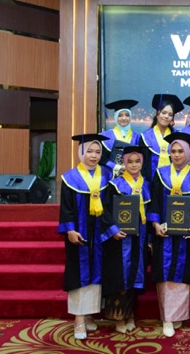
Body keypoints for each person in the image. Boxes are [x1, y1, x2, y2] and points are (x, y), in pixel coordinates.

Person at [147, 132, 190, 337]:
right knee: (165, 272)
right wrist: (155, 224)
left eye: (181, 151)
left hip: (186, 234)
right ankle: (167, 318)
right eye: (173, 151)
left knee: (183, 274)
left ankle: (178, 314)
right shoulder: (160, 173)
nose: (177, 155)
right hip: (164, 233)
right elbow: (154, 201)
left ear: (187, 153)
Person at [58, 133, 113, 340]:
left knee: (98, 274)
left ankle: (90, 313)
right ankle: (79, 319)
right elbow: (66, 208)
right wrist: (70, 230)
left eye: (98, 152)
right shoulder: (70, 178)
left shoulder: (106, 176)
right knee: (79, 274)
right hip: (79, 234)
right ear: (81, 152)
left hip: (100, 234)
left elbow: (110, 205)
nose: (94, 155)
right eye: (89, 151)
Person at [101, 145, 151, 334]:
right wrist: (113, 230)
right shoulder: (115, 185)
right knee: (119, 277)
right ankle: (118, 317)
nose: (134, 165)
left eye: (137, 161)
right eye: (130, 161)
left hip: (140, 238)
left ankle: (129, 314)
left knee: (135, 277)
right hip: (119, 240)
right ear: (124, 163)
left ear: (142, 163)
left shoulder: (147, 185)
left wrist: (150, 238)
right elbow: (105, 211)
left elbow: (151, 212)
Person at [139, 93, 184, 181]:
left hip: (174, 182)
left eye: (170, 115)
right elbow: (142, 164)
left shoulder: (178, 136)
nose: (166, 116)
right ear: (157, 113)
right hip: (150, 182)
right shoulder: (145, 137)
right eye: (164, 113)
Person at [100, 99, 140, 176]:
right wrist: (117, 167)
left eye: (127, 115)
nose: (124, 118)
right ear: (115, 117)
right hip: (109, 176)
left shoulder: (137, 138)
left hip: (131, 176)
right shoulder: (105, 137)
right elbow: (102, 159)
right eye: (120, 115)